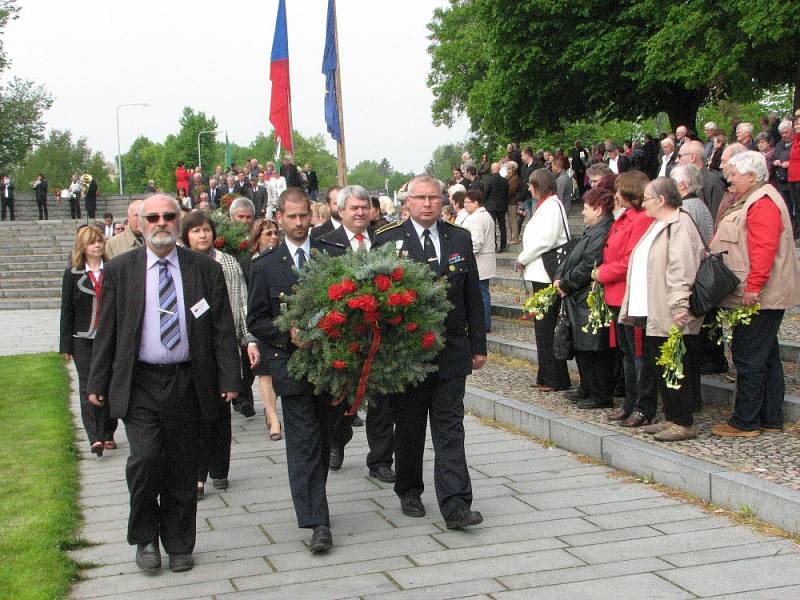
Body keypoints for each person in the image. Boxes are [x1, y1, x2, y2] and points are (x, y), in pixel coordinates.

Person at [86, 194, 240, 573]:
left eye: (168, 216)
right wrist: (98, 381)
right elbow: (107, 331)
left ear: (178, 220)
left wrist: (230, 377)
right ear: (140, 222)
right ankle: (144, 537)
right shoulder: (121, 270)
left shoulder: (204, 269)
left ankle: (179, 542)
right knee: (147, 458)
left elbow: (221, 326)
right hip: (140, 382)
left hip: (188, 380)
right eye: (151, 216)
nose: (160, 222)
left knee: (183, 467)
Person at [372, 174, 486, 530]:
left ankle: (456, 504)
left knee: (450, 427)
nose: (426, 204)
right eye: (419, 198)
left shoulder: (459, 238)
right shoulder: (388, 241)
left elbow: (471, 296)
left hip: (450, 351)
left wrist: (477, 345)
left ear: (443, 201)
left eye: (433, 198)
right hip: (407, 355)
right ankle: (408, 488)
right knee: (409, 426)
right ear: (407, 202)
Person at [247, 187, 336, 554]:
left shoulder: (331, 255)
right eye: (292, 217)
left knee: (327, 437)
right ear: (279, 218)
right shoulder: (265, 265)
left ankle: (317, 502)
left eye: (305, 216)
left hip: (331, 366)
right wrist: (288, 333)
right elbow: (256, 320)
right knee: (303, 444)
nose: (299, 223)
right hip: (292, 367)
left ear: (312, 217)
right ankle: (316, 521)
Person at [710, 151, 800, 437]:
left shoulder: (761, 204)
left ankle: (745, 421)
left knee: (748, 356)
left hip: (761, 295)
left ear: (752, 176)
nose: (730, 178)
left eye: (734, 174)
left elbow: (763, 250)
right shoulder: (758, 198)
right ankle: (770, 418)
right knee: (767, 356)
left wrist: (753, 288)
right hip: (763, 293)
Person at [316, 185, 396, 483]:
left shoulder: (386, 239)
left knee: (382, 401)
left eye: (365, 207)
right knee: (341, 398)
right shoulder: (324, 242)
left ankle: (380, 459)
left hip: (381, 334)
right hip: (343, 334)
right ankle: (338, 439)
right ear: (340, 210)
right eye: (354, 208)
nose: (361, 212)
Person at [619, 177, 705, 442]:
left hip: (671, 309)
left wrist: (680, 304)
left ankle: (683, 420)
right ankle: (670, 416)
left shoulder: (679, 225)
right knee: (660, 362)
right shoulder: (659, 224)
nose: (643, 202)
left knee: (675, 364)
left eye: (647, 198)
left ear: (661, 200)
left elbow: (681, 268)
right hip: (654, 308)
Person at [181, 211, 259, 495]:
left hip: (222, 345)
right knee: (195, 415)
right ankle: (197, 472)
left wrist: (248, 338)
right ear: (186, 235)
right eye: (195, 231)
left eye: (206, 230)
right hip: (191, 349)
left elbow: (240, 303)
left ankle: (219, 468)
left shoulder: (227, 263)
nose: (202, 236)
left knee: (220, 410)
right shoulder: (180, 265)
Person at [597, 172, 656, 425]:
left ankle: (643, 405)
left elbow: (630, 260)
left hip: (628, 294)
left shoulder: (640, 220)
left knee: (638, 355)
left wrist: (603, 273)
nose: (615, 196)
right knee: (627, 354)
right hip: (616, 294)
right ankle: (630, 402)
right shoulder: (624, 219)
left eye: (619, 191)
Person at [554, 187, 615, 409]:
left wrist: (567, 283)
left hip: (587, 296)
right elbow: (572, 256)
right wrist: (561, 277)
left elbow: (590, 264)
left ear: (599, 210)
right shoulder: (593, 230)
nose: (583, 212)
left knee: (592, 348)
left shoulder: (603, 231)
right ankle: (587, 388)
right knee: (582, 347)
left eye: (587, 208)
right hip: (576, 296)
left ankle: (599, 394)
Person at [60, 225, 118, 456]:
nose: (97, 245)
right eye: (92, 242)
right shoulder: (73, 274)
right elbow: (67, 311)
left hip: (109, 337)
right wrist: (65, 345)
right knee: (87, 385)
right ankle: (94, 437)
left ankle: (107, 431)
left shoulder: (113, 271)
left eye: (99, 241)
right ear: (83, 247)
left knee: (109, 383)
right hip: (82, 339)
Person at [515, 168, 572, 392]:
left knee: (547, 327)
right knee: (542, 327)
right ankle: (545, 373)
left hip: (547, 273)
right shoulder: (546, 206)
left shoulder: (552, 206)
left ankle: (555, 377)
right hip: (540, 273)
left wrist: (522, 258)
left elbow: (545, 241)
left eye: (531, 185)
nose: (529, 189)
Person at [247, 218, 283, 440]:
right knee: (265, 373)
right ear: (257, 237)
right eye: (268, 233)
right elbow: (246, 301)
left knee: (277, 375)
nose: (273, 237)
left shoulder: (282, 258)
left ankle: (271, 409)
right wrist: (250, 338)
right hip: (259, 325)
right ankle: (273, 418)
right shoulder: (249, 262)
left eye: (275, 232)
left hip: (279, 324)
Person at [462, 189, 496, 332]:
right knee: (483, 293)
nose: (465, 206)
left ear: (475, 203)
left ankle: (483, 324)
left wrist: (466, 256)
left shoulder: (476, 218)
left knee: (481, 294)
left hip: (479, 261)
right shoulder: (485, 215)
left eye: (467, 203)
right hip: (485, 261)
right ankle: (484, 323)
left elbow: (476, 242)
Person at [483, 162, 509, 251]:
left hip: (491, 206)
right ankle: (503, 245)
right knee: (502, 226)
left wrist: (485, 202)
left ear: (492, 169)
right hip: (502, 205)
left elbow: (486, 192)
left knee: (492, 226)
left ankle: (493, 245)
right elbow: (506, 192)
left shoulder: (489, 180)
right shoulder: (504, 180)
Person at [504, 161, 521, 244]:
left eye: (509, 168)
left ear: (514, 169)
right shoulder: (508, 178)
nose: (508, 170)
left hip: (513, 202)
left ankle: (515, 238)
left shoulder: (515, 179)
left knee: (513, 221)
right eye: (507, 168)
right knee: (509, 221)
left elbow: (511, 191)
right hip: (509, 202)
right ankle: (510, 238)